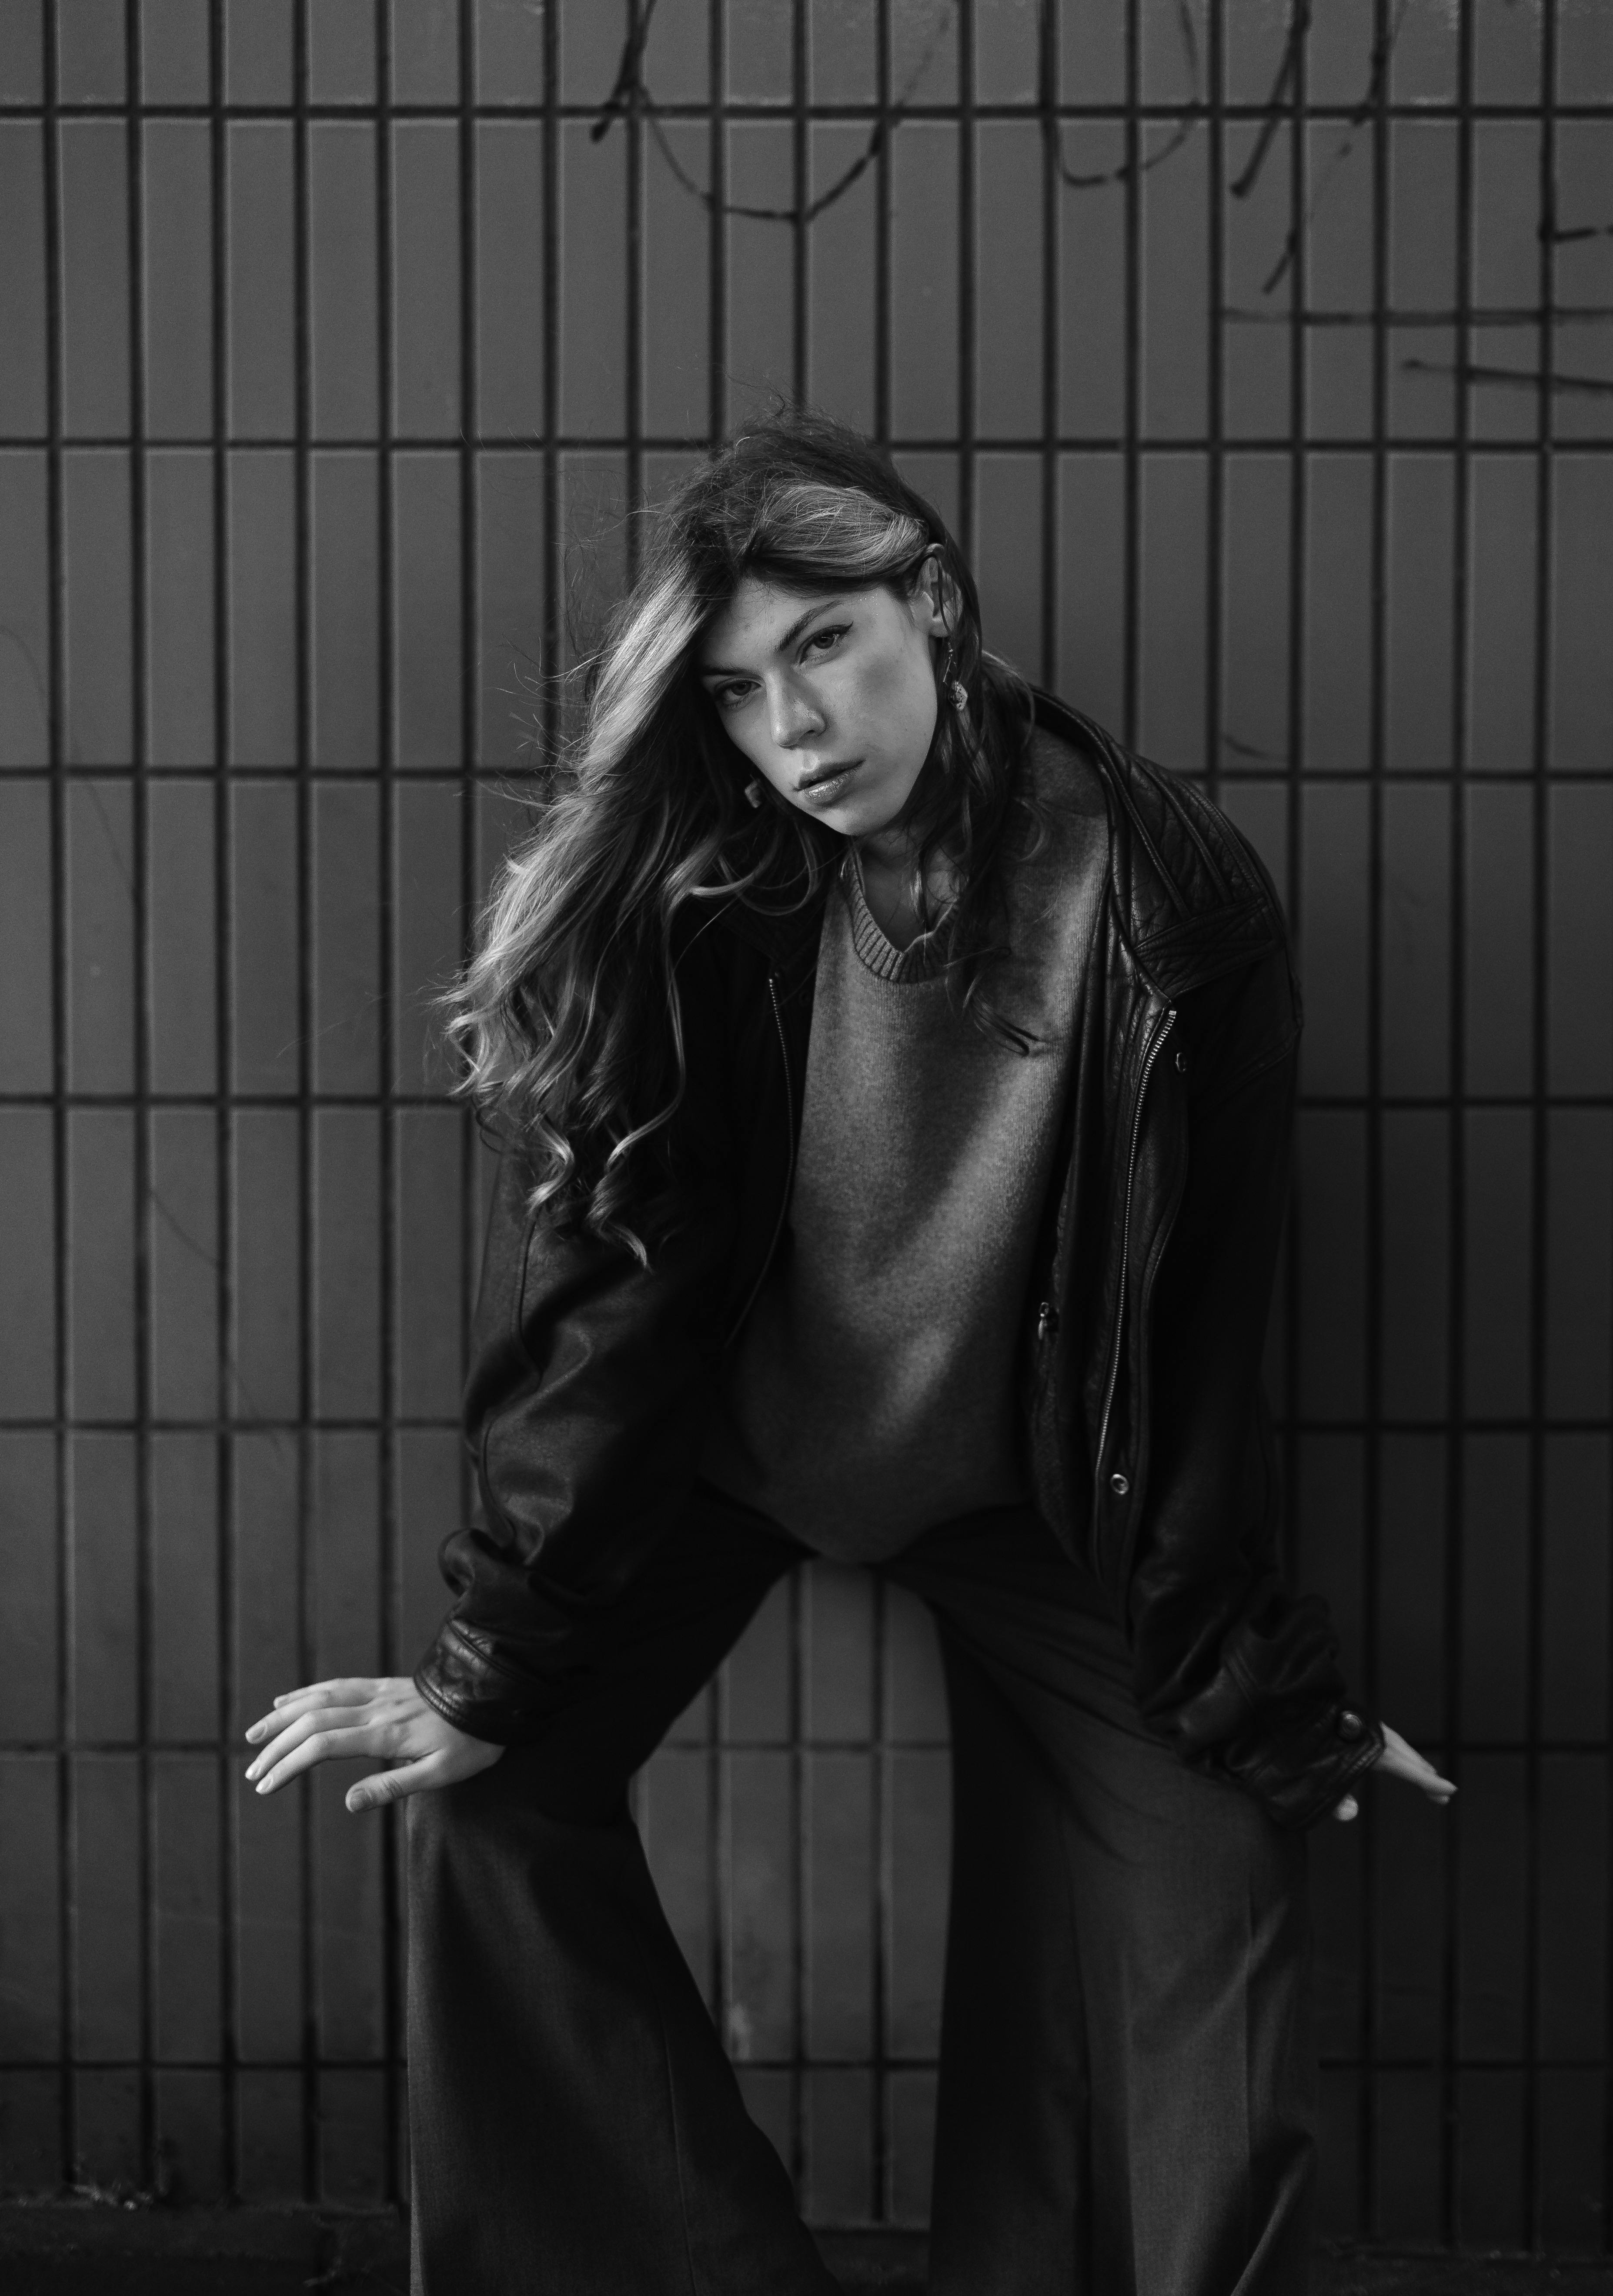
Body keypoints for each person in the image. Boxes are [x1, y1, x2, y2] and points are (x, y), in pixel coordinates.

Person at [244, 412, 1453, 2296]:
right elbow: (611, 1298)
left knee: (1222, 1886)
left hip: (1024, 1496)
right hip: (726, 1451)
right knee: (477, 1796)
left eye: (825, 644)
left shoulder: (1176, 912)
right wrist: (492, 1653)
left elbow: (1201, 1343)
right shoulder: (706, 890)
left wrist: (1261, 1695)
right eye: (736, 689)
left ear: (935, 604)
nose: (793, 728)